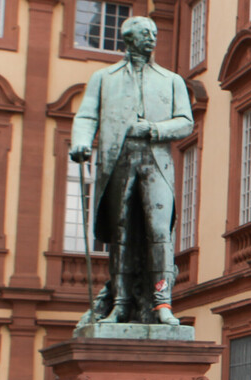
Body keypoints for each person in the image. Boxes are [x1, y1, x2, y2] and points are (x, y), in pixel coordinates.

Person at [68, 16, 192, 327]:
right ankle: (120, 304)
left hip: (156, 160)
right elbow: (86, 116)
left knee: (160, 232)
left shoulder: (171, 79)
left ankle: (162, 303)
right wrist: (81, 143)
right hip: (117, 160)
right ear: (128, 39)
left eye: (153, 33)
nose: (151, 38)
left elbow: (185, 121)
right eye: (144, 34)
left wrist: (153, 128)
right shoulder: (104, 77)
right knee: (121, 234)